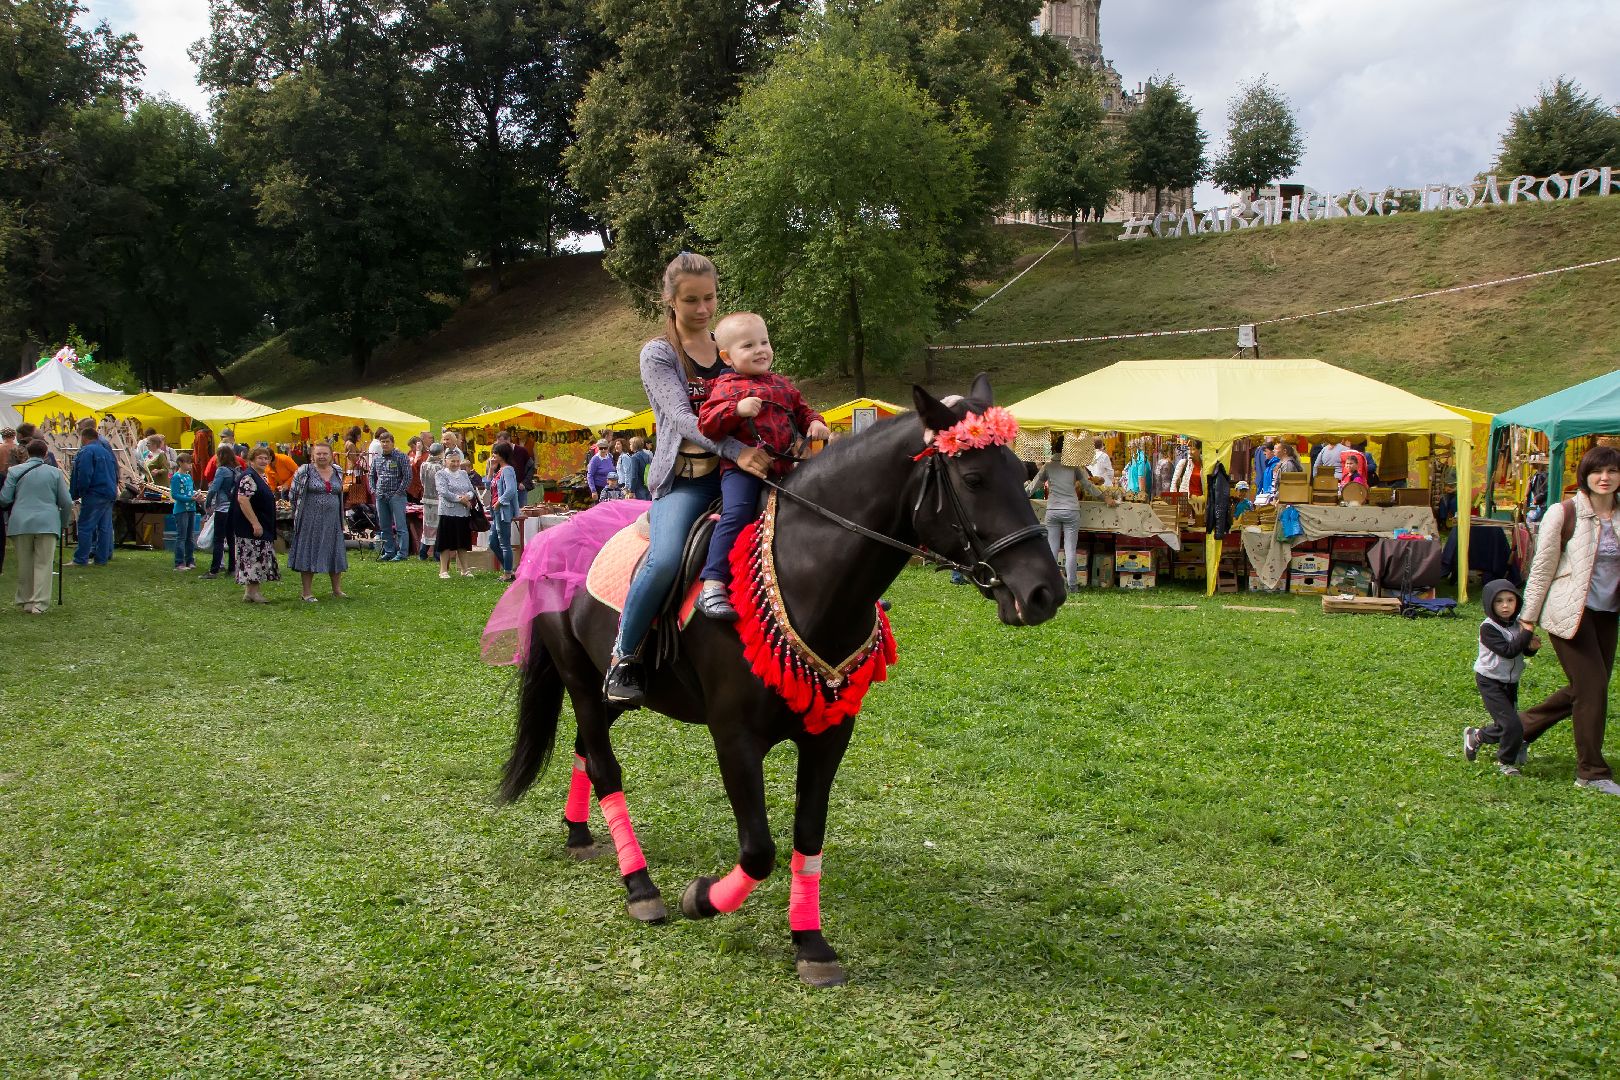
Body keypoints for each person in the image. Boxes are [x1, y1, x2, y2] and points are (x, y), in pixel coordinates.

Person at [604, 253, 773, 703]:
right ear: (670, 300)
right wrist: (738, 451)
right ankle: (624, 655)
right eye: (691, 300)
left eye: (710, 298)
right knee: (664, 561)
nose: (703, 309)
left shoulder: (731, 346)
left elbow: (767, 391)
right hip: (687, 480)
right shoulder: (659, 354)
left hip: (739, 474)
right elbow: (681, 418)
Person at [693, 311, 830, 620]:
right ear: (727, 357)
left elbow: (803, 411)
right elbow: (706, 424)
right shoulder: (725, 387)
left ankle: (834, 581)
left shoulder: (782, 385)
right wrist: (735, 409)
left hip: (786, 469)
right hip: (743, 471)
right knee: (737, 512)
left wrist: (815, 423)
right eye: (748, 345)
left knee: (819, 511)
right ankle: (713, 583)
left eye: (764, 342)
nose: (760, 350)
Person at [1516, 446, 1620, 795]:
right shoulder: (1564, 513)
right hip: (1569, 613)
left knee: (1587, 688)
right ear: (1585, 476)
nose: (1604, 478)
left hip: (1607, 614)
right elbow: (1542, 567)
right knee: (1593, 688)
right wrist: (1527, 620)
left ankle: (1509, 732)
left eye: (1612, 471)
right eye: (1597, 471)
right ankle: (1591, 773)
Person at [1463, 579, 1542, 776]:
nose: (1505, 606)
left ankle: (1476, 736)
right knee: (1512, 725)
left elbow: (1521, 649)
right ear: (1489, 603)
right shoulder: (1488, 628)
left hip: (1510, 681)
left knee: (1507, 724)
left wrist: (1531, 648)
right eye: (1499, 601)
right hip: (1490, 681)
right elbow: (1508, 651)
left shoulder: (1518, 624)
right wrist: (1528, 632)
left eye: (1510, 600)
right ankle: (1505, 763)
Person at [1026, 433, 1118, 595]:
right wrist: (1105, 498)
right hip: (1071, 510)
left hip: (1053, 510)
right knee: (1070, 549)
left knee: (1052, 549)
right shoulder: (1074, 466)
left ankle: (1051, 584)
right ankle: (1073, 585)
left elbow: (1034, 486)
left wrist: (1020, 495)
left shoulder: (1048, 466)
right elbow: (1088, 486)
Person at [0, 439, 72, 614]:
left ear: (27, 452)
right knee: (44, 564)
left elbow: (4, 498)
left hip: (20, 522)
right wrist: (63, 523)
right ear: (45, 453)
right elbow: (66, 502)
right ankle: (39, 603)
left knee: (24, 563)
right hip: (47, 522)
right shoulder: (55, 472)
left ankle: (26, 600)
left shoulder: (14, 471)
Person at [287, 440, 349, 601]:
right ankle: (306, 593)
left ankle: (337, 590)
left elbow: (339, 493)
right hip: (310, 520)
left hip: (332, 520)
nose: (322, 456)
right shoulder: (304, 471)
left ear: (331, 456)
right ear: (313, 456)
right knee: (309, 552)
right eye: (318, 454)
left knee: (335, 552)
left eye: (325, 454)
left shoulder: (337, 470)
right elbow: (293, 495)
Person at [231, 445, 281, 603]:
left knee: (258, 557)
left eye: (266, 458)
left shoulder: (261, 476)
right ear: (251, 460)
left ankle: (250, 592)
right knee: (253, 558)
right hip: (250, 527)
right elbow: (243, 500)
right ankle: (253, 593)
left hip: (261, 524)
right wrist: (255, 523)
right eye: (260, 458)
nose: (264, 461)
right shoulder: (249, 477)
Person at [69, 425, 118, 566]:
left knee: (85, 526)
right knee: (104, 528)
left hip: (94, 493)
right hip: (109, 492)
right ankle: (101, 558)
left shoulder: (87, 451)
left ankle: (80, 559)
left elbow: (84, 473)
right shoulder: (106, 452)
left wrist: (80, 491)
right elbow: (115, 471)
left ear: (84, 438)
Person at [369, 429, 412, 562]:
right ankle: (389, 551)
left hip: (396, 496)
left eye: (387, 442)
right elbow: (371, 475)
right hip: (381, 495)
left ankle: (402, 553)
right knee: (384, 526)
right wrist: (373, 489)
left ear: (393, 443)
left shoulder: (401, 456)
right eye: (383, 442)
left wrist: (399, 492)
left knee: (400, 526)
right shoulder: (377, 458)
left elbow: (408, 476)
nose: (385, 444)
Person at [435, 447, 477, 578]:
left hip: (463, 513)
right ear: (446, 461)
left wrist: (468, 497)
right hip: (447, 511)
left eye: (458, 461)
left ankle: (465, 570)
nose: (455, 464)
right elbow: (443, 492)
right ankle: (443, 570)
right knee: (445, 542)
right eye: (452, 461)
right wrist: (460, 499)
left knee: (462, 542)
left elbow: (471, 490)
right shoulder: (440, 474)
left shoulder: (463, 473)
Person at [201, 444, 239, 579]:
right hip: (232, 508)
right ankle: (232, 569)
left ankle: (214, 570)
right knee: (231, 539)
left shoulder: (222, 470)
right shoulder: (235, 471)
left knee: (218, 539)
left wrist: (207, 504)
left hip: (222, 508)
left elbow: (214, 488)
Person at [487, 442, 520, 582]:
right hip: (496, 510)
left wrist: (499, 502)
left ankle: (507, 573)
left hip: (502, 510)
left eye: (496, 452)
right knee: (493, 542)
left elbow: (511, 490)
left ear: (503, 454)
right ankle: (509, 569)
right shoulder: (499, 470)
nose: (493, 455)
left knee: (504, 543)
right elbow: (488, 486)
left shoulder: (507, 470)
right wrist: (491, 469)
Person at [170, 451, 200, 570]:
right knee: (181, 536)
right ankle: (179, 563)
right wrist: (190, 498)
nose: (190, 465)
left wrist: (197, 495)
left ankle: (190, 560)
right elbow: (175, 494)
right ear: (180, 463)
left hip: (191, 509)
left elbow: (190, 491)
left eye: (190, 463)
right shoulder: (176, 477)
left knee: (190, 536)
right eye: (188, 463)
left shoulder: (188, 477)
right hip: (181, 510)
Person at [419, 442, 445, 559]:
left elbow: (422, 481)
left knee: (427, 527)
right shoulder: (441, 467)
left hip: (426, 499)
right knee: (438, 527)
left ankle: (423, 552)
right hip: (438, 499)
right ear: (441, 453)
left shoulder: (424, 465)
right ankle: (437, 554)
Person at [619, 435, 652, 501]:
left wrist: (632, 491)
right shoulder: (647, 455)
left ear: (635, 445)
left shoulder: (635, 457)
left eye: (630, 444)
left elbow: (634, 476)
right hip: (647, 486)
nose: (630, 446)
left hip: (639, 487)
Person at [507, 430, 534, 505]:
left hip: (520, 487)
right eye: (518, 432)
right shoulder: (500, 452)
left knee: (522, 509)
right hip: (507, 487)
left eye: (521, 432)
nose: (519, 434)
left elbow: (531, 465)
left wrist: (525, 483)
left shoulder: (523, 449)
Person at [406, 435, 427, 503]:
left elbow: (418, 464)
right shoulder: (410, 453)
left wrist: (418, 452)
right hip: (410, 487)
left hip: (419, 488)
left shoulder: (426, 455)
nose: (411, 449)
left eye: (412, 447)